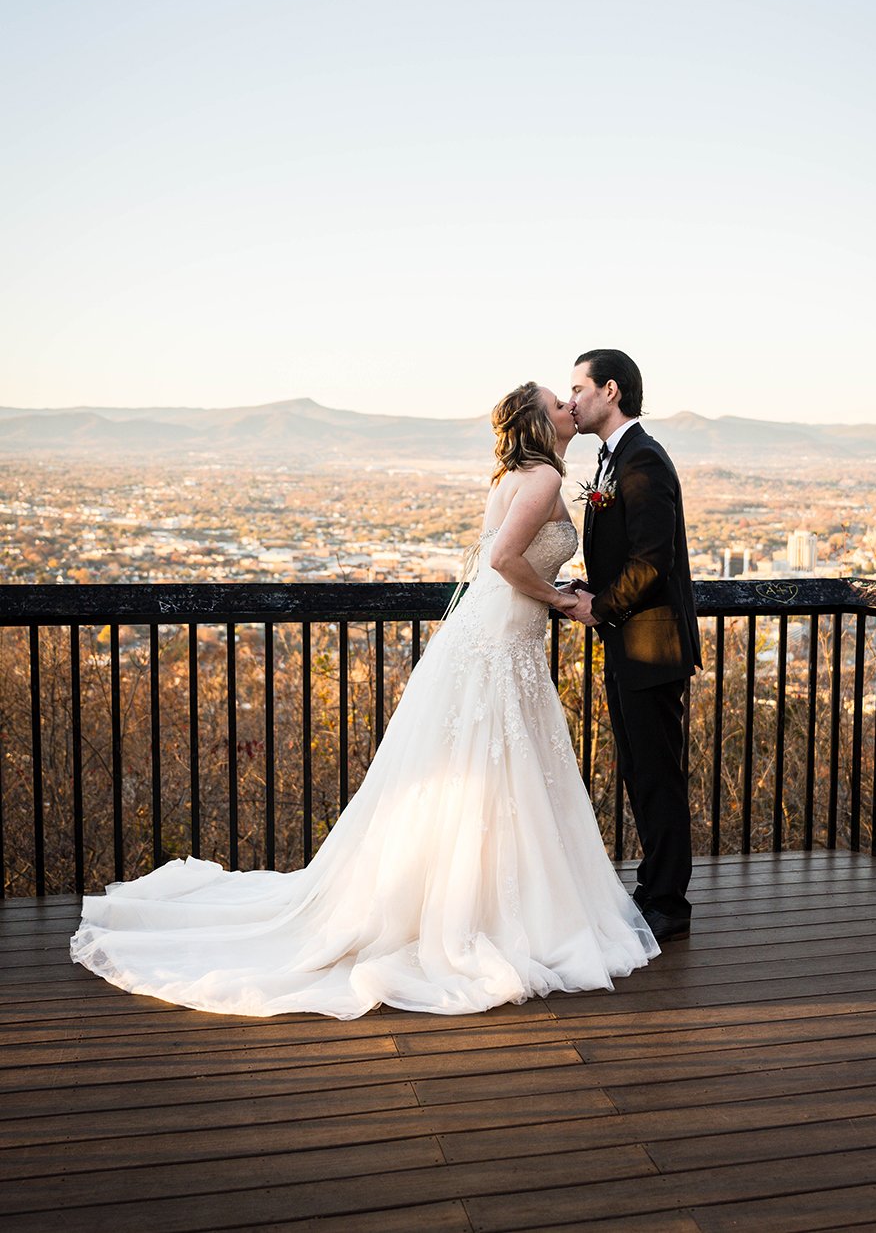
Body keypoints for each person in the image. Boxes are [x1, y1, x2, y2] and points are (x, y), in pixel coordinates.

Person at [70, 382, 657, 1019]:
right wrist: (565, 600)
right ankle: (486, 912)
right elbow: (505, 559)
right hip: (498, 641)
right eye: (559, 401)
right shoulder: (541, 475)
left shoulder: (519, 473)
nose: (572, 405)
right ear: (541, 422)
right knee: (490, 776)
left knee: (485, 778)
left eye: (573, 396)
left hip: (496, 639)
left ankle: (475, 901)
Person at [566, 349, 702, 942]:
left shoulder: (642, 460)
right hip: (631, 645)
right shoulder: (616, 458)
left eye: (578, 388)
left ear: (610, 391)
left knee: (657, 773)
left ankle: (668, 900)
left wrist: (600, 606)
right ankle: (654, 887)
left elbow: (652, 561)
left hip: (649, 646)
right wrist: (589, 587)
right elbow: (630, 555)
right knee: (640, 769)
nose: (571, 400)